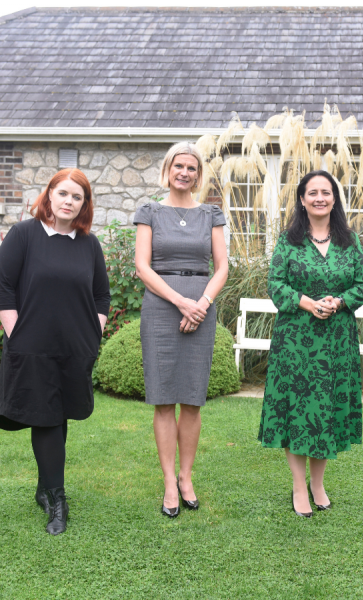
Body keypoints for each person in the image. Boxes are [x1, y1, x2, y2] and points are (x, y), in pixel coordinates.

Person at [0, 168, 111, 535]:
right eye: (63, 194)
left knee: (59, 415)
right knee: (43, 415)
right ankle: (57, 499)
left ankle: (44, 488)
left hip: (74, 347)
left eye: (77, 197)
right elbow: (3, 289)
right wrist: (18, 336)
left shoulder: (88, 244)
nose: (69, 202)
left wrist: (94, 332)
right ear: (49, 195)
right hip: (32, 347)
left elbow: (101, 295)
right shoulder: (24, 235)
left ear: (84, 204)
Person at [258, 170, 363, 518]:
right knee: (297, 410)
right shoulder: (288, 241)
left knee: (326, 410)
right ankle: (297, 485)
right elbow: (275, 285)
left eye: (326, 192)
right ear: (302, 200)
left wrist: (338, 301)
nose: (319, 198)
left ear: (334, 199)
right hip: (296, 342)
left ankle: (318, 484)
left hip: (336, 342)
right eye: (312, 193)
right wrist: (307, 302)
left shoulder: (350, 241)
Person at [134, 142, 228, 518]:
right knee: (163, 398)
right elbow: (143, 266)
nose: (185, 172)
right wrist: (180, 302)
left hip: (201, 303)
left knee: (191, 397)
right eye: (179, 166)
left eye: (192, 167)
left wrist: (201, 304)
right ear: (168, 170)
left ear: (198, 174)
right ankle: (169, 482)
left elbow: (222, 266)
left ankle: (187, 478)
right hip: (161, 306)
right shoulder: (150, 211)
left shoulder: (212, 214)